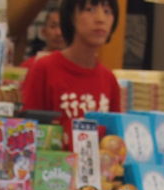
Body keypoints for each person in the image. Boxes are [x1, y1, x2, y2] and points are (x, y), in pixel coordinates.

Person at [20, 0, 121, 138]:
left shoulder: (109, 79)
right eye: (90, 9)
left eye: (107, 11)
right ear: (71, 17)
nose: (100, 19)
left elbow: (115, 141)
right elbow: (28, 129)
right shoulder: (44, 68)